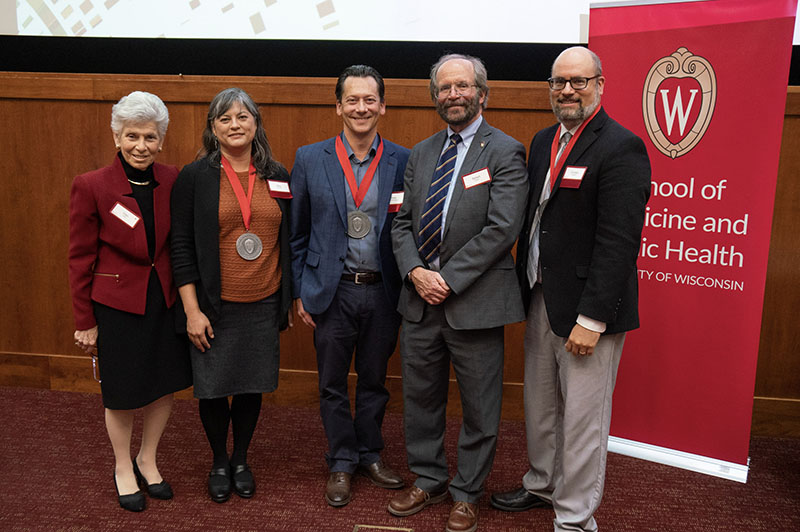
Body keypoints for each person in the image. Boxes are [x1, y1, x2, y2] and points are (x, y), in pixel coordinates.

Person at [489, 47, 651, 532]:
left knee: (582, 420)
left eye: (579, 81)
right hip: (542, 295)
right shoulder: (543, 141)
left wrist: (594, 318)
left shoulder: (622, 146)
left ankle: (576, 518)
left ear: (600, 83)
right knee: (540, 406)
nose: (567, 91)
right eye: (559, 82)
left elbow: (619, 243)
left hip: (587, 312)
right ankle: (542, 482)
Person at [389, 54, 528, 532]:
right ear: (435, 97)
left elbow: (502, 227)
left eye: (462, 86)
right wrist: (414, 271)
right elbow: (402, 222)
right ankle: (428, 478)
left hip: (475, 302)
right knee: (420, 400)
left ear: (481, 93)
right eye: (445, 88)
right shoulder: (421, 152)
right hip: (419, 301)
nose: (453, 94)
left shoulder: (506, 151)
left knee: (480, 406)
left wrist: (447, 277)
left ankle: (467, 492)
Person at [289, 65, 409, 507]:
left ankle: (370, 453)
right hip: (331, 290)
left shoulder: (403, 160)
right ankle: (341, 460)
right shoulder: (309, 158)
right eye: (352, 100)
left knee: (376, 380)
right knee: (332, 382)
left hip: (383, 290)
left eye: (370, 99)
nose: (361, 107)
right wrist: (301, 289)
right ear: (338, 105)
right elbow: (297, 232)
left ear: (383, 106)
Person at [68, 91, 192, 512]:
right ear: (117, 137)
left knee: (162, 385)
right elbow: (80, 257)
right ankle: (123, 465)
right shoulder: (92, 185)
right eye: (132, 136)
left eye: (150, 137)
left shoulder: (174, 179)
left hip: (165, 301)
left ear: (162, 140)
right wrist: (85, 320)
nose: (141, 145)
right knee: (121, 392)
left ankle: (148, 458)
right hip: (117, 305)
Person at [170, 87, 292, 504]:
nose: (235, 125)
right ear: (213, 128)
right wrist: (191, 310)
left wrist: (288, 299)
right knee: (212, 386)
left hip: (263, 300)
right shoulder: (196, 176)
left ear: (256, 122)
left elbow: (288, 239)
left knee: (250, 384)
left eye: (243, 117)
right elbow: (181, 247)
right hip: (212, 307)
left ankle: (241, 458)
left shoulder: (277, 173)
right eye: (225, 118)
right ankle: (219, 460)